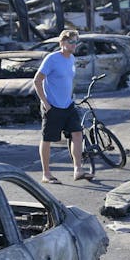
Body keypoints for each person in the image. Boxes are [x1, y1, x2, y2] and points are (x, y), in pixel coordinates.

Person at [33, 29, 93, 184]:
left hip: (68, 105)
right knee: (47, 139)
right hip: (52, 106)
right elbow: (37, 81)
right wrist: (46, 103)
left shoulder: (72, 58)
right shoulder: (52, 59)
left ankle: (78, 170)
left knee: (77, 134)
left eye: (75, 42)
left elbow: (68, 80)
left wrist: (71, 96)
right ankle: (46, 174)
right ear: (62, 43)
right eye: (70, 41)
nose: (74, 45)